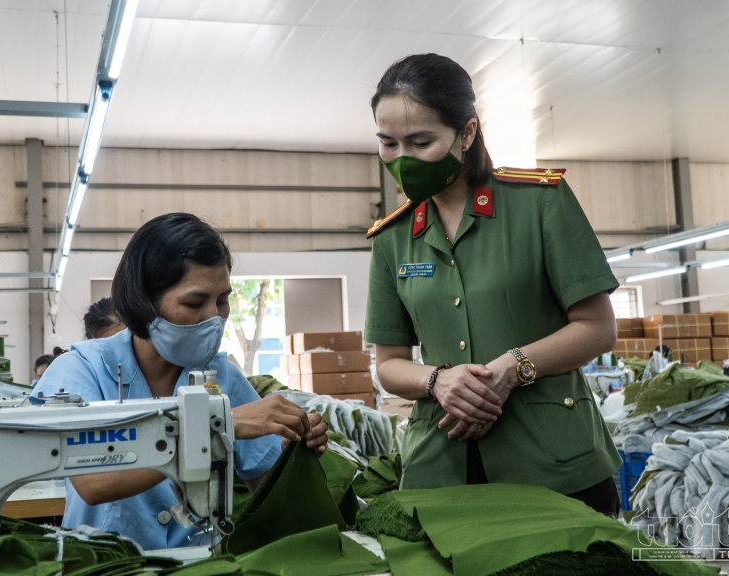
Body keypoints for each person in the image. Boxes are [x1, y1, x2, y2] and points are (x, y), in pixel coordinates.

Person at [365, 54, 622, 516]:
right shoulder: (391, 239)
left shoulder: (539, 204)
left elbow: (597, 328)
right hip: (441, 467)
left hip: (554, 464)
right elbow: (388, 364)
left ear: (466, 133)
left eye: (422, 142)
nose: (403, 159)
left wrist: (512, 366)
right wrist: (438, 380)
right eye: (388, 144)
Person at [32, 213, 328, 550]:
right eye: (194, 303)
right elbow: (94, 482)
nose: (215, 317)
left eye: (222, 300)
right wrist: (220, 426)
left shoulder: (222, 376)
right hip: (108, 565)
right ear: (144, 303)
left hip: (201, 564)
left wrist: (295, 455)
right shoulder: (80, 370)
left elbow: (272, 495)